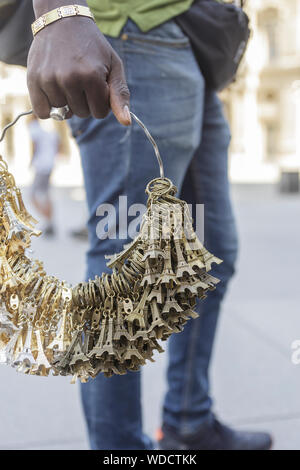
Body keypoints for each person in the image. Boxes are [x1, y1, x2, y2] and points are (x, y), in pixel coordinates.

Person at [27, 0, 272, 450]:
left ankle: (187, 421)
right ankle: (118, 449)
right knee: (125, 267)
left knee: (210, 251)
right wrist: (59, 15)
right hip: (130, 36)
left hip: (191, 44)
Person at [28, 114, 59, 236]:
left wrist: (31, 161)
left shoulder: (34, 128)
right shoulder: (50, 130)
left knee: (33, 196)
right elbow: (58, 148)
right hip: (49, 164)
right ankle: (50, 222)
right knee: (45, 194)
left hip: (41, 165)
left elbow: (34, 146)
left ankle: (48, 221)